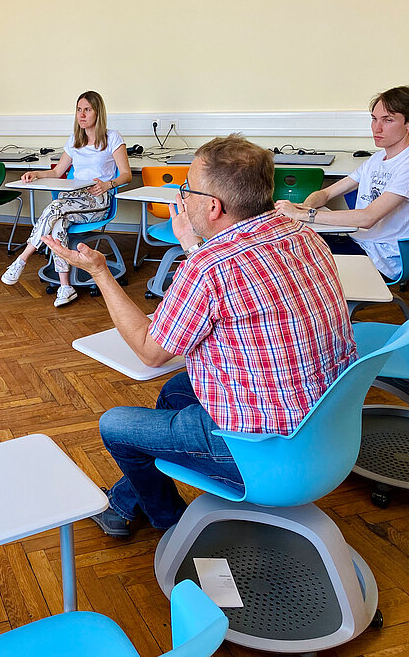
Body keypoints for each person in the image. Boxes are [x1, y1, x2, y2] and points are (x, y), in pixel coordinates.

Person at [44, 135, 356, 537]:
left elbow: (149, 351)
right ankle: (124, 505)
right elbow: (237, 285)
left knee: (115, 426)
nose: (182, 197)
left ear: (213, 206)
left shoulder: (209, 269)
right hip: (324, 424)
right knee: (175, 392)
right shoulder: (302, 235)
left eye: (186, 189)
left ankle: (171, 521)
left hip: (260, 450)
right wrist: (192, 243)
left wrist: (101, 273)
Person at [275, 86, 409, 281]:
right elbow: (326, 194)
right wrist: (306, 206)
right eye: (374, 119)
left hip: (381, 259)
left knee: (289, 258)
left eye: (388, 120)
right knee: (287, 245)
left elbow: (367, 218)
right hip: (360, 243)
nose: (377, 128)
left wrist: (304, 215)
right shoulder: (378, 159)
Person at [0, 91, 131, 307]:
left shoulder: (112, 138)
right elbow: (58, 171)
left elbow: (126, 174)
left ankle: (22, 259)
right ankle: (65, 286)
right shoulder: (74, 141)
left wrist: (108, 184)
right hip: (72, 200)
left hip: (97, 200)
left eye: (87, 109)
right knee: (57, 224)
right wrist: (36, 175)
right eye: (79, 110)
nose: (82, 114)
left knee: (54, 208)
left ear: (98, 112)